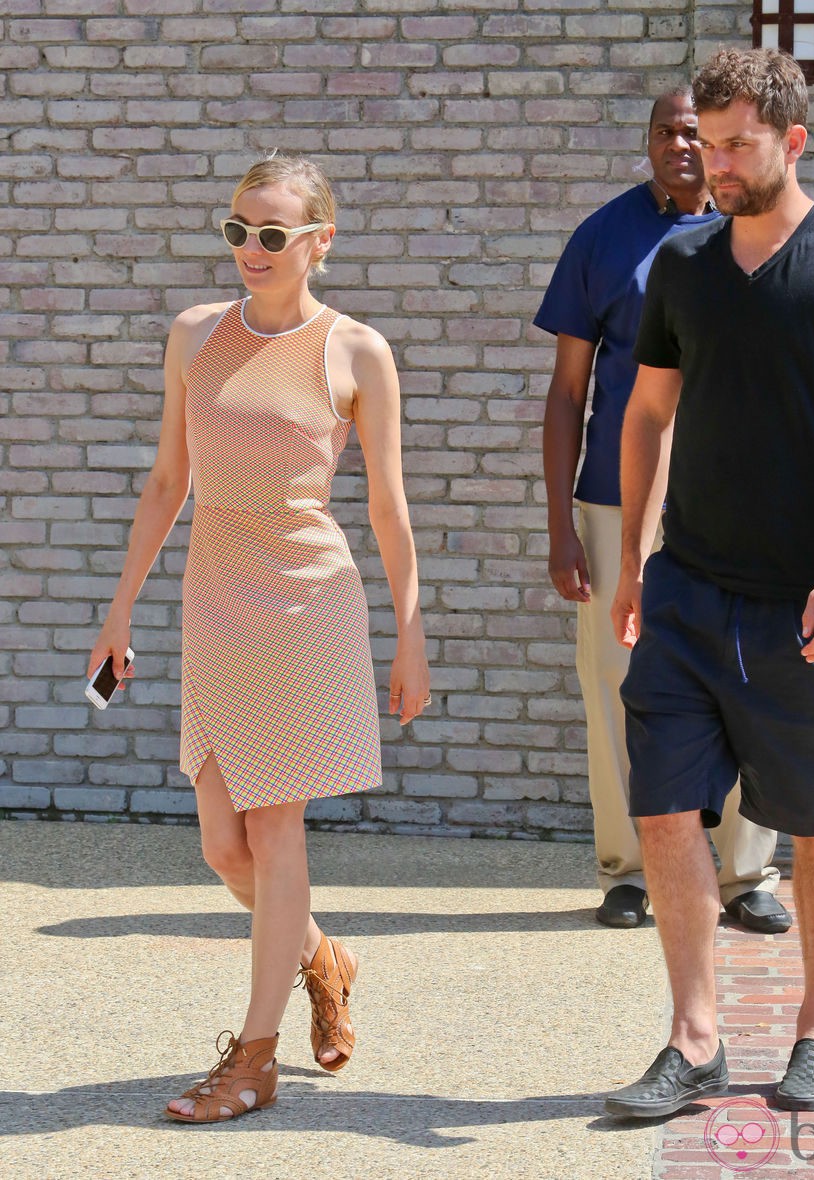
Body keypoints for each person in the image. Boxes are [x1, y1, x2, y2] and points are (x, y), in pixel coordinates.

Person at [604, 48, 814, 1118]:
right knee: (663, 813)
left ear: (792, 140)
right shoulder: (685, 263)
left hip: (804, 601)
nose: (716, 164)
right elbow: (647, 412)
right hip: (687, 589)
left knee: (812, 817)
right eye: (705, 144)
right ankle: (692, 1038)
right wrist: (633, 563)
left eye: (737, 143)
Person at [87, 155, 430, 1124]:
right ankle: (324, 959)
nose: (250, 250)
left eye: (272, 234)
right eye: (237, 230)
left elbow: (391, 510)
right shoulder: (194, 335)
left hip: (304, 606)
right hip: (214, 604)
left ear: (320, 242)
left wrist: (411, 634)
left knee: (275, 831)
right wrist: (119, 610)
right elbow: (167, 483)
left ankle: (254, 1058)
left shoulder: (357, 351)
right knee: (222, 847)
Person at [535, 89, 789, 934]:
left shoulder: (756, 229)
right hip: (615, 500)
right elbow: (568, 392)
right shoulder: (603, 238)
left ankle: (746, 872)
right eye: (668, 131)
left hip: (739, 502)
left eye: (699, 133)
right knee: (615, 679)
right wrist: (560, 524)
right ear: (648, 142)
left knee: (751, 676)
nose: (683, 145)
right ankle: (629, 869)